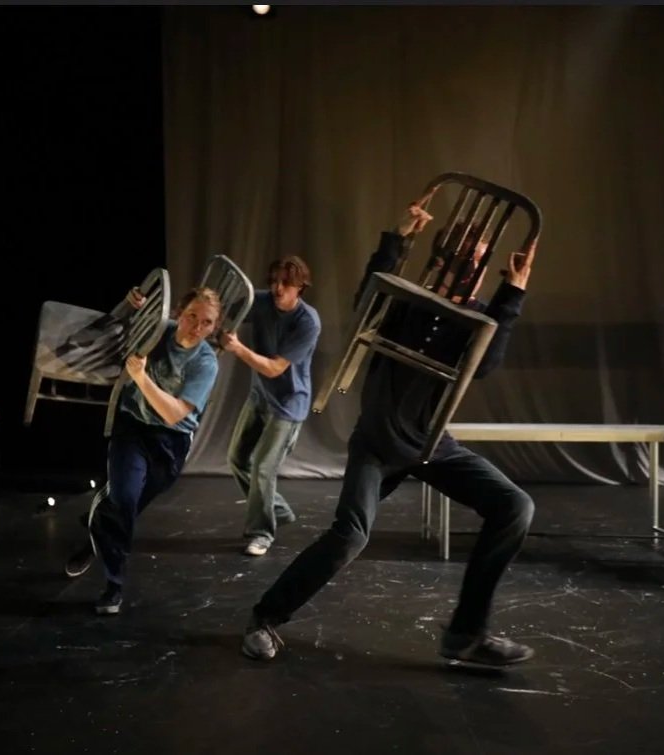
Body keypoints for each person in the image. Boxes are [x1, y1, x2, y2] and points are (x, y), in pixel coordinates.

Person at [241, 200, 539, 666]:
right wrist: (396, 241)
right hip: (379, 441)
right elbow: (368, 300)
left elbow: (484, 365)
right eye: (467, 258)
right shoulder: (406, 301)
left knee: (515, 506)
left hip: (429, 443)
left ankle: (465, 635)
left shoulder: (477, 317)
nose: (475, 270)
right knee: (349, 536)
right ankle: (264, 618)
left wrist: (512, 292)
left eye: (482, 263)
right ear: (445, 259)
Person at [64, 284, 222, 615]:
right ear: (178, 313)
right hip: (133, 428)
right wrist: (128, 305)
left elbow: (174, 413)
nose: (196, 327)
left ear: (214, 327)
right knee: (123, 499)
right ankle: (114, 585)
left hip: (171, 442)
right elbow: (104, 334)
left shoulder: (205, 362)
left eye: (206, 322)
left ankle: (96, 535)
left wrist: (141, 377)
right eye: (192, 316)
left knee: (127, 508)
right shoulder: (159, 330)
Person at [220, 256, 321, 557]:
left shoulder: (307, 321)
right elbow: (219, 311)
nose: (278, 288)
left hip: (288, 404)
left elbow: (275, 368)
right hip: (260, 396)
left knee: (263, 468)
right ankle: (277, 508)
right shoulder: (262, 302)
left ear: (300, 287)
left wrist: (237, 348)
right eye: (274, 281)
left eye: (286, 283)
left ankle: (261, 533)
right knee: (237, 459)